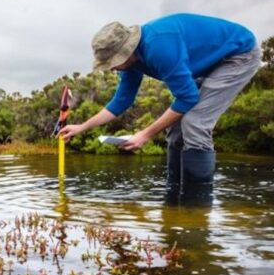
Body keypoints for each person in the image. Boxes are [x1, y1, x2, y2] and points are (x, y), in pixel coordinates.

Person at [59, 13, 260, 205]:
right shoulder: (131, 63)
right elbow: (122, 100)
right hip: (207, 63)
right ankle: (173, 199)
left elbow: (187, 97)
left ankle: (196, 207)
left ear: (126, 52)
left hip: (237, 55)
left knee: (195, 122)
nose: (112, 68)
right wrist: (82, 127)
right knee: (174, 129)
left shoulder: (159, 47)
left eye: (113, 62)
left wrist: (145, 134)